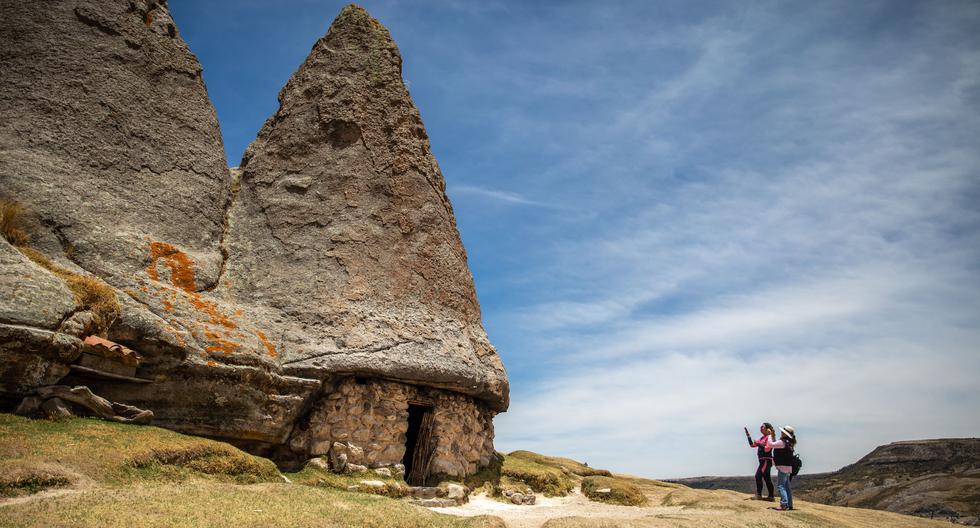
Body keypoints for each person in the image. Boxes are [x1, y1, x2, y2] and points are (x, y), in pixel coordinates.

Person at [768, 425, 797, 511]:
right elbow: (775, 444)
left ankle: (784, 504)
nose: (781, 432)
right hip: (788, 467)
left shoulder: (782, 442)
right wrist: (773, 436)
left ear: (785, 434)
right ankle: (790, 504)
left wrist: (769, 435)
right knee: (787, 487)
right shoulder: (789, 443)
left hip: (782, 467)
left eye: (783, 432)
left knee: (781, 486)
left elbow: (771, 445)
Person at [744, 423, 775, 501]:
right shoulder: (762, 438)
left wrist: (758, 444)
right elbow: (752, 445)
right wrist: (748, 436)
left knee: (758, 476)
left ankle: (759, 495)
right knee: (767, 478)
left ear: (767, 429)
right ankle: (771, 497)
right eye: (760, 426)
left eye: (762, 427)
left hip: (766, 460)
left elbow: (767, 449)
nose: (760, 428)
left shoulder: (769, 438)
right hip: (763, 461)